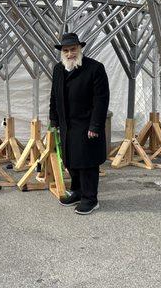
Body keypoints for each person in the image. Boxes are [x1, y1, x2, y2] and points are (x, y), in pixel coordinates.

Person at [49, 33, 110, 215]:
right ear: (62, 52)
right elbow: (54, 96)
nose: (70, 54)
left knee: (87, 162)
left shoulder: (95, 68)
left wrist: (95, 126)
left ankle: (90, 199)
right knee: (71, 160)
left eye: (73, 49)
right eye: (66, 50)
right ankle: (77, 192)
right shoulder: (58, 69)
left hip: (86, 125)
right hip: (67, 125)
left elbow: (101, 100)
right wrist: (54, 120)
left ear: (80, 49)